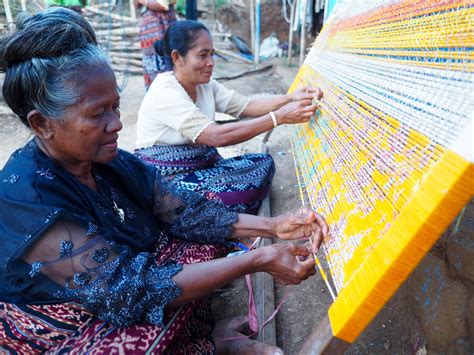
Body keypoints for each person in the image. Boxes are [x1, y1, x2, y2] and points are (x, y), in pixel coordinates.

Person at [0, 8, 329, 353]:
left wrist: (274, 226)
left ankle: (203, 338)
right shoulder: (24, 197)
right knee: (129, 342)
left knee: (202, 244)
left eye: (115, 107)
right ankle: (210, 345)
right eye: (98, 114)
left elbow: (189, 213)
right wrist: (257, 259)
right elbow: (129, 290)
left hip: (119, 284)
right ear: (41, 125)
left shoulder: (109, 163)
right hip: (57, 322)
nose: (117, 124)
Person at [135, 20, 322, 214]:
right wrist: (278, 118)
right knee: (234, 191)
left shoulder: (205, 85)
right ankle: (190, 216)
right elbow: (216, 136)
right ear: (177, 57)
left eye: (212, 54)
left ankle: (220, 214)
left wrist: (290, 97)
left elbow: (245, 106)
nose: (211, 63)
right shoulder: (165, 92)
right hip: (166, 183)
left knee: (262, 164)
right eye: (202, 55)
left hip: (199, 168)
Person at [134, 0, 177, 90]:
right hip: (150, 38)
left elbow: (162, 5)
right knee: (153, 75)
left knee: (165, 75)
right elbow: (135, 5)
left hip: (162, 31)